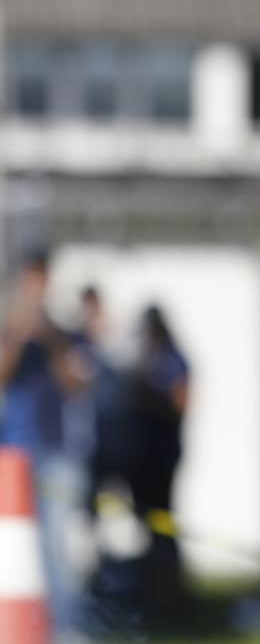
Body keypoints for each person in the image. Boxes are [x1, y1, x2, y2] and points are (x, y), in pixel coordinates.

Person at [0, 249, 93, 639]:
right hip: (15, 454)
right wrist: (20, 333)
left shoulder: (65, 334)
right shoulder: (10, 331)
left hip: (56, 452)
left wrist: (52, 339)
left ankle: (65, 630)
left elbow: (78, 384)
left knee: (58, 549)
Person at [125, 305, 190, 607]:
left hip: (163, 455)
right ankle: (149, 589)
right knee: (146, 523)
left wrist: (150, 396)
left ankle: (169, 592)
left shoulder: (172, 358)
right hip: (142, 455)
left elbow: (182, 401)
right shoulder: (143, 359)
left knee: (163, 523)